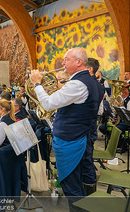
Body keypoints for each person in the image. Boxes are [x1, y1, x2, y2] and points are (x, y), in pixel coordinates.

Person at [30, 48, 101, 206]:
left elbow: (48, 104)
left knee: (71, 187)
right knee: (80, 182)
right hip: (81, 138)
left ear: (79, 62)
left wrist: (36, 83)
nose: (62, 63)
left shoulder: (77, 84)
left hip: (72, 142)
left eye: (66, 59)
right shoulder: (91, 82)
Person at [84, 58, 105, 194]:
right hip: (90, 126)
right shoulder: (96, 85)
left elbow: (98, 110)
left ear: (90, 69)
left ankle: (89, 192)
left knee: (87, 160)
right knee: (87, 160)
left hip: (88, 127)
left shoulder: (90, 85)